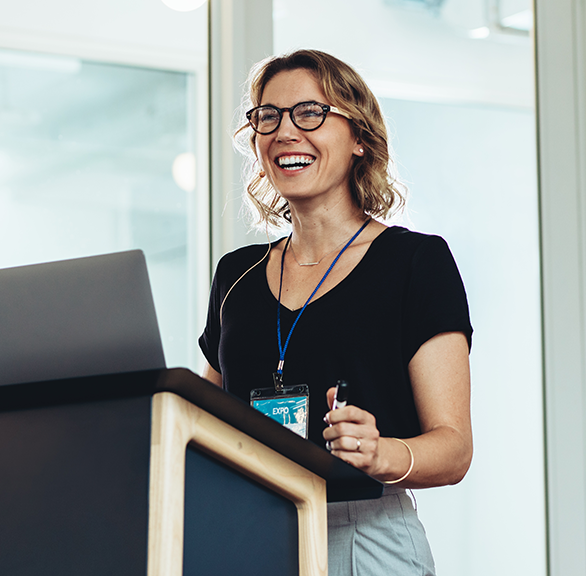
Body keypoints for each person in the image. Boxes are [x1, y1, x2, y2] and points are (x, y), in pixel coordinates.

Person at [199, 49, 473, 576]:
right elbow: (203, 423)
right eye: (267, 116)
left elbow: (454, 448)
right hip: (245, 533)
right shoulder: (235, 274)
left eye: (310, 113)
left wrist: (381, 453)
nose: (284, 132)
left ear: (359, 137)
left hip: (361, 536)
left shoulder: (416, 262)